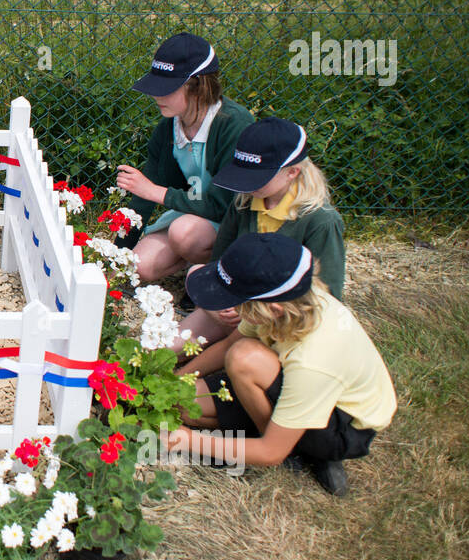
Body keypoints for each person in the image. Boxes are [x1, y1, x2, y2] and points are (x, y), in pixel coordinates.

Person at [171, 232, 397, 496]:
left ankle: (301, 448)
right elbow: (229, 343)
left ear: (271, 310)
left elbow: (271, 453)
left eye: (234, 302)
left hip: (342, 425)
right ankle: (275, 429)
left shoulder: (314, 361)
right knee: (184, 405)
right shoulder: (288, 297)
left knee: (244, 358)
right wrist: (180, 378)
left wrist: (186, 440)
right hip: (291, 382)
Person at [173, 117, 345, 351]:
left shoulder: (321, 221)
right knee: (165, 349)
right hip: (236, 310)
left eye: (256, 177)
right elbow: (219, 261)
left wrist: (253, 308)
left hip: (282, 322)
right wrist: (224, 301)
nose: (246, 184)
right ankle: (227, 341)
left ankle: (233, 347)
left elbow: (327, 297)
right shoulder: (244, 201)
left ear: (293, 172)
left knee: (240, 356)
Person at [115, 32, 254, 283]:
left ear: (199, 85)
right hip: (192, 215)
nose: (157, 96)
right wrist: (116, 256)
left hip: (232, 224)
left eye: (166, 89)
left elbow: (226, 206)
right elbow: (142, 201)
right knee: (138, 266)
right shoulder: (169, 127)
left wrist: (158, 193)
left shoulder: (234, 124)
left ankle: (213, 275)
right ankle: (195, 263)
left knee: (183, 233)